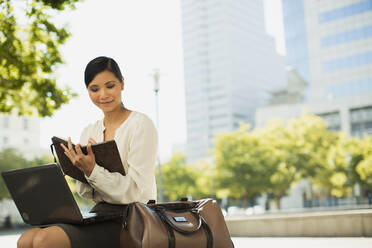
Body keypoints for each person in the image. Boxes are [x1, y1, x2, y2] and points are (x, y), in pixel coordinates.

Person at [17, 56, 158, 248]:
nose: (103, 95)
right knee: (26, 239)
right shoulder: (89, 131)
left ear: (122, 83)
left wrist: (93, 170)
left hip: (133, 218)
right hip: (99, 214)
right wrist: (81, 168)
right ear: (88, 91)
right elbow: (85, 192)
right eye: (94, 89)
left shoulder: (141, 124)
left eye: (110, 86)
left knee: (44, 240)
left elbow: (135, 192)